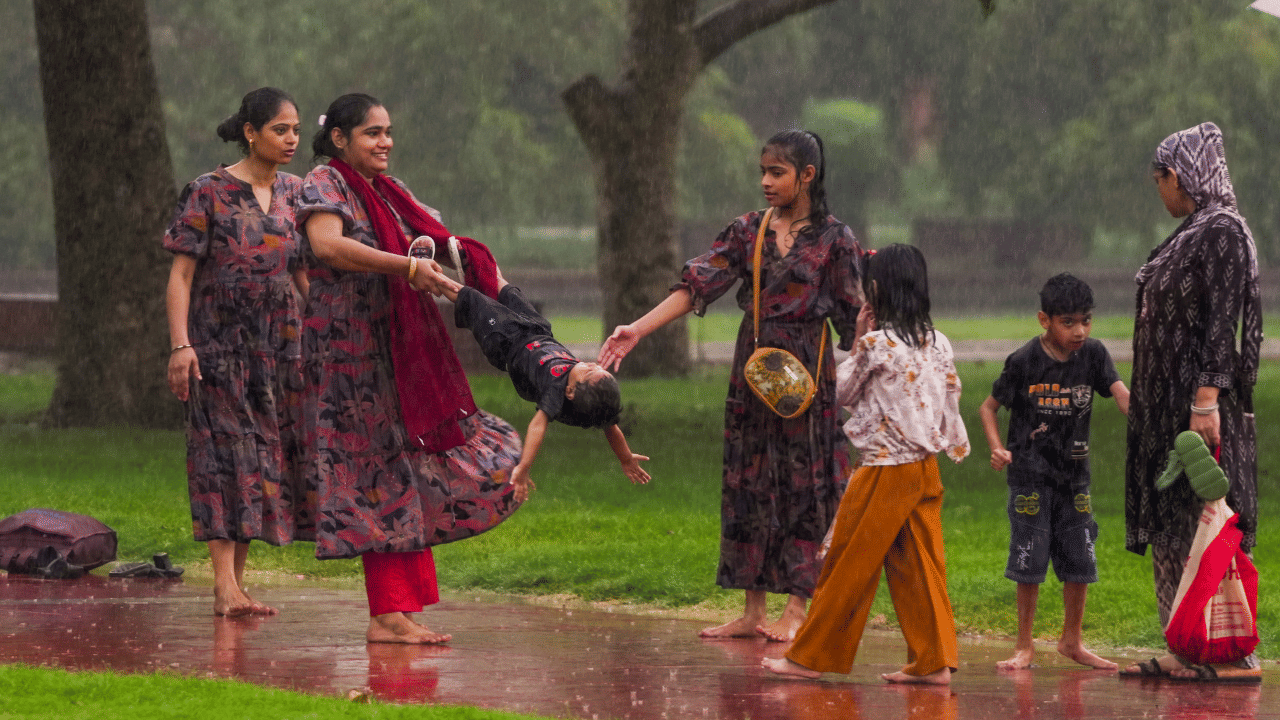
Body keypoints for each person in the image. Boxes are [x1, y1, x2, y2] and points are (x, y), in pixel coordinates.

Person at [599, 130, 863, 642]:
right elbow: (697, 285)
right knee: (750, 480)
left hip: (809, 375)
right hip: (754, 368)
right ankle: (752, 610)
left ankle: (798, 607)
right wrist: (637, 329)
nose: (765, 181)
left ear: (807, 175)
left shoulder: (836, 239)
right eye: (763, 171)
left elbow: (856, 322)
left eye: (777, 172)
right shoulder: (748, 231)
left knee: (807, 485)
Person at [297, 93, 523, 645]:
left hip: (400, 350)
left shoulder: (391, 193)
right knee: (375, 476)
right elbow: (327, 246)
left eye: (388, 131)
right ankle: (387, 614)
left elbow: (442, 248)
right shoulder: (325, 183)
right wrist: (406, 266)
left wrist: (500, 292)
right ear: (339, 139)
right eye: (372, 133)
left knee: (406, 469)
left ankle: (401, 609)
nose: (386, 142)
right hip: (348, 357)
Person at [762, 244, 969, 684]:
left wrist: (857, 339)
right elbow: (950, 397)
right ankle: (934, 662)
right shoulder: (939, 342)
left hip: (884, 470)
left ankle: (808, 658)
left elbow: (839, 394)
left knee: (847, 564)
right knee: (921, 566)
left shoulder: (876, 345)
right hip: (925, 467)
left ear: (876, 289)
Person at [1120, 122, 1262, 682]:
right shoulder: (1194, 230)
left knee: (1207, 520)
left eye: (1159, 180)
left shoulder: (1222, 229)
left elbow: (1222, 319)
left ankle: (1231, 654)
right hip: (1166, 410)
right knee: (1174, 524)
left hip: (1196, 410)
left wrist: (1206, 399)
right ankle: (1185, 645)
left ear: (1176, 175)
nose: (1159, 191)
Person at [163, 87, 310, 617]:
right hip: (218, 347)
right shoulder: (208, 191)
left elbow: (302, 273)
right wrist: (181, 345)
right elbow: (181, 275)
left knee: (260, 458)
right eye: (280, 129)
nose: (291, 139)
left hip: (280, 348)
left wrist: (323, 331)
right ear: (251, 132)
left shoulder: (297, 193)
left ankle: (237, 588)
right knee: (222, 456)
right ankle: (223, 585)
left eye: (296, 130)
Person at [977, 273, 1128, 672]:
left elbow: (1120, 393)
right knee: (1029, 559)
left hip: (1075, 478)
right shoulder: (1024, 361)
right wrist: (996, 447)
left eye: (1086, 320)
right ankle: (1024, 645)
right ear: (1044, 320)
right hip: (1029, 478)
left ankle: (1071, 641)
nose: (1080, 331)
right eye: (1068, 322)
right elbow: (988, 408)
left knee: (1081, 557)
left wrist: (1143, 413)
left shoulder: (1094, 354)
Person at [420, 262, 650, 500]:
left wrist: (524, 466)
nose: (593, 365)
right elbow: (610, 427)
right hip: (538, 330)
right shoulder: (596, 401)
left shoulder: (556, 390)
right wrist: (625, 458)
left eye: (589, 372)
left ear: (571, 391)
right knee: (509, 291)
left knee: (471, 298)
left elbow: (538, 427)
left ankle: (428, 276)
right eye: (599, 368)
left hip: (506, 341)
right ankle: (477, 259)